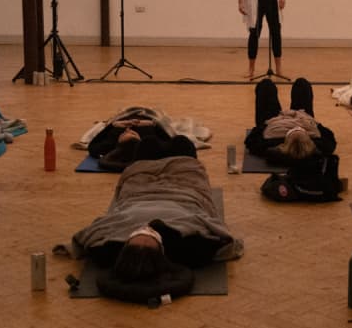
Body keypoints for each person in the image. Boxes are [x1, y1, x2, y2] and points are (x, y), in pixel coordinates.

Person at [56, 156, 243, 303]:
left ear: (125, 245)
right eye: (151, 235)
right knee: (182, 145)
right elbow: (220, 238)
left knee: (145, 150)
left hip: (138, 192)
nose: (146, 227)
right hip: (183, 192)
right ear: (161, 252)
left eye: (137, 233)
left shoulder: (106, 251)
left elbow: (89, 234)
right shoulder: (191, 250)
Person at [245, 77, 336, 164]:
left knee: (266, 85)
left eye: (294, 131)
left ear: (286, 141)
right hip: (302, 116)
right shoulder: (318, 145)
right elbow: (329, 137)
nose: (296, 128)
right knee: (302, 84)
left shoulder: (269, 144)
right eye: (300, 130)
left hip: (274, 119)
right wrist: (316, 124)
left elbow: (251, 140)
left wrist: (265, 125)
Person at [87, 106, 197, 171]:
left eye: (124, 134)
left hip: (122, 116)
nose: (128, 129)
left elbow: (92, 146)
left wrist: (113, 125)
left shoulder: (109, 144)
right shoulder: (150, 142)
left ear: (119, 141)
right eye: (132, 134)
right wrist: (153, 124)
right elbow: (169, 140)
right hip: (148, 116)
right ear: (139, 139)